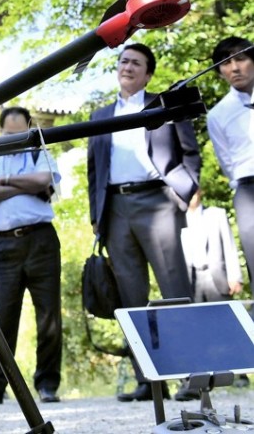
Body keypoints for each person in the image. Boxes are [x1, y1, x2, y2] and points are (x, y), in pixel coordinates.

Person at [87, 43, 200, 403]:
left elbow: (189, 150)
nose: (128, 67)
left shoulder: (164, 105)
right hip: (116, 208)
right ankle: (149, 380)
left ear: (148, 73)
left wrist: (188, 189)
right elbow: (94, 170)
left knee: (175, 291)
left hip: (160, 201)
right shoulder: (100, 115)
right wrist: (96, 215)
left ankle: (190, 375)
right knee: (132, 297)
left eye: (136, 63)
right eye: (123, 61)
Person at [0, 106, 62, 406]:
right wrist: (24, 184)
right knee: (1, 318)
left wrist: (7, 183)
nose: (15, 138)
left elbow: (44, 181)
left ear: (30, 130)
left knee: (48, 315)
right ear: (1, 133)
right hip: (4, 245)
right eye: (9, 133)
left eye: (20, 133)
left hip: (42, 239)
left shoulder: (40, 152)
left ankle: (47, 384)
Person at [207, 37, 254, 278]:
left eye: (241, 59)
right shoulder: (217, 114)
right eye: (226, 62)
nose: (234, 68)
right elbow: (226, 160)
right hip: (248, 190)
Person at [180, 189, 243, 303]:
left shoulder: (217, 214)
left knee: (222, 318)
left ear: (200, 192)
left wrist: (235, 277)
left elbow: (229, 246)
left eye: (193, 192)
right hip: (190, 280)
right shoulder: (177, 220)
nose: (191, 196)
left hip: (217, 278)